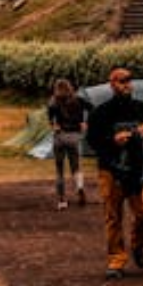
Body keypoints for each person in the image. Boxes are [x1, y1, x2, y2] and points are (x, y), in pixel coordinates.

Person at [88, 68, 143, 278]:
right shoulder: (100, 112)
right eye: (121, 81)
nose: (126, 84)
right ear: (112, 84)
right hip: (110, 170)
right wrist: (113, 140)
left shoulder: (142, 109)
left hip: (136, 171)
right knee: (113, 216)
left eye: (128, 80)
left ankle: (137, 245)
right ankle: (116, 261)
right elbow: (92, 141)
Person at [46, 78, 88, 210]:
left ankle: (62, 201)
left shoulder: (53, 101)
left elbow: (50, 119)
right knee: (76, 167)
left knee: (59, 171)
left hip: (60, 137)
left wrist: (54, 126)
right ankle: (80, 188)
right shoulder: (78, 100)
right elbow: (93, 108)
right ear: (70, 87)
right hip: (74, 137)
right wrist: (84, 122)